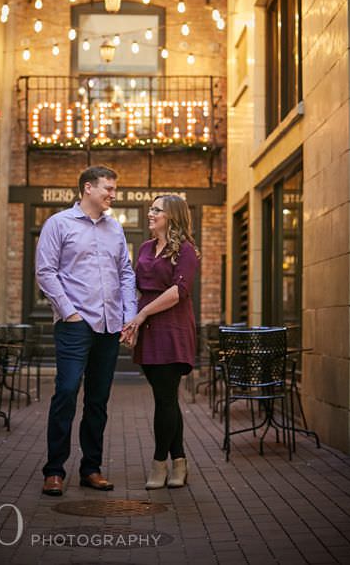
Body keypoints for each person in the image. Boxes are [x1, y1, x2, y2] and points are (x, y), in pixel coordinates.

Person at [36, 166, 137, 496]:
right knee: (65, 393)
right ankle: (54, 471)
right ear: (87, 188)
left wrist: (129, 316)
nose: (113, 194)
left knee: (98, 400)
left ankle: (90, 468)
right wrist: (70, 313)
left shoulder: (115, 229)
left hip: (109, 327)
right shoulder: (58, 224)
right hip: (75, 326)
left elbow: (125, 274)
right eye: (108, 188)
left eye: (114, 189)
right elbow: (46, 273)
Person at [121, 194, 198, 490]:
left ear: (172, 216)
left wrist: (140, 317)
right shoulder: (144, 248)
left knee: (164, 399)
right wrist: (132, 323)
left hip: (173, 328)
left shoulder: (187, 251)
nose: (150, 214)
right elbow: (137, 288)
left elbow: (179, 292)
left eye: (156, 210)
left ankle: (159, 463)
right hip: (149, 327)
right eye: (151, 209)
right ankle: (179, 460)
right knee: (166, 398)